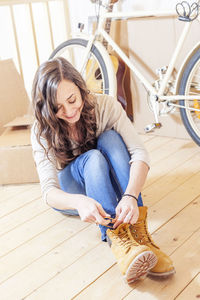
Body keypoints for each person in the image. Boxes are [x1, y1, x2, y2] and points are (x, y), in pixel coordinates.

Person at [31, 57, 175, 284]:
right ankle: (116, 237)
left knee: (110, 137)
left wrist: (129, 196)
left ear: (81, 88)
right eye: (57, 108)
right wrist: (79, 202)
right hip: (77, 197)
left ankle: (138, 232)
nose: (68, 112)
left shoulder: (106, 105)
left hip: (114, 188)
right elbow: (48, 191)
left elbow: (140, 153)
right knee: (93, 158)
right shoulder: (41, 129)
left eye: (72, 100)